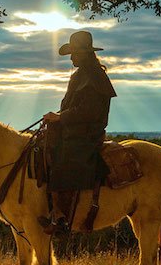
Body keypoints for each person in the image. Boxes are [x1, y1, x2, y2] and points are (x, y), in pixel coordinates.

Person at [40, 31, 117, 235]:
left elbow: (88, 111)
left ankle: (62, 217)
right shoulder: (81, 75)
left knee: (64, 160)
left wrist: (60, 117)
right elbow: (72, 107)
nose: (72, 58)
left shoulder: (95, 77)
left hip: (87, 134)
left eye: (74, 53)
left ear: (85, 54)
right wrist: (56, 117)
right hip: (74, 129)